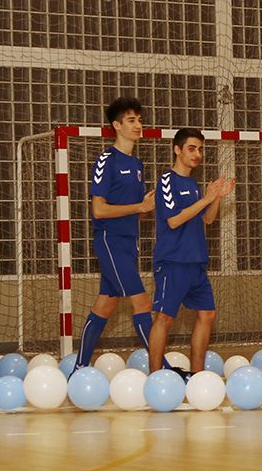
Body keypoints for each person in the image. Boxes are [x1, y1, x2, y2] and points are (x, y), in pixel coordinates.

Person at [74, 97, 156, 374]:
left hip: (129, 243)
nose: (138, 125)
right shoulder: (106, 160)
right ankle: (161, 368)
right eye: (131, 120)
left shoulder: (137, 165)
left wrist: (147, 208)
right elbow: (99, 210)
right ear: (117, 125)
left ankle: (79, 367)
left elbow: (134, 212)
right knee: (142, 302)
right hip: (110, 242)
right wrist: (139, 207)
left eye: (140, 120)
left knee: (105, 305)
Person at [148, 129, 234, 377]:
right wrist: (206, 199)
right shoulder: (167, 180)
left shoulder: (194, 185)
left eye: (200, 149)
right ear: (177, 150)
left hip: (196, 262)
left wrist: (216, 198)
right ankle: (156, 376)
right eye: (192, 148)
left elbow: (207, 219)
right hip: (173, 261)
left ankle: (197, 375)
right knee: (165, 318)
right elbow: (173, 220)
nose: (198, 154)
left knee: (207, 314)